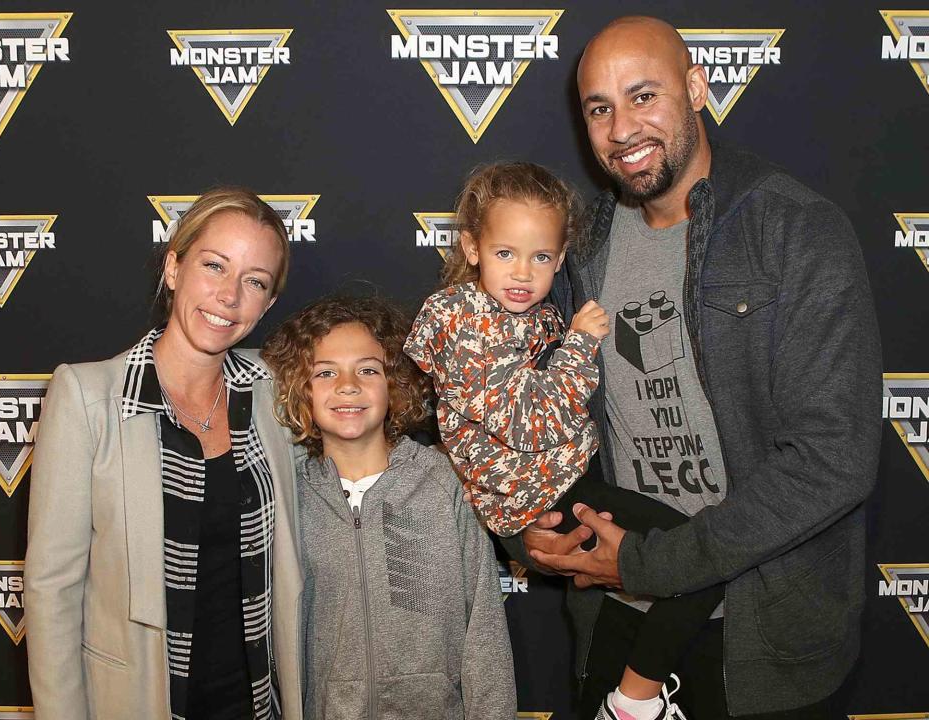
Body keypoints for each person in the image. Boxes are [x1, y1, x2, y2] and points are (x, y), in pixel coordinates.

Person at [504, 16, 883, 720]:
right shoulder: (575, 249)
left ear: (697, 88)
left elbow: (835, 457)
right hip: (616, 627)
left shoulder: (794, 229)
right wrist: (522, 523)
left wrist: (653, 565)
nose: (621, 129)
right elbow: (519, 407)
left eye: (643, 96)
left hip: (761, 643)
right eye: (599, 108)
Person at [404, 161, 727, 720]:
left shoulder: (532, 314)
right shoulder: (461, 321)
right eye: (506, 253)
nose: (524, 273)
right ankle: (631, 703)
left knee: (692, 561)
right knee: (698, 559)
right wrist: (580, 343)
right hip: (544, 496)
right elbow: (532, 420)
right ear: (472, 247)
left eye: (542, 257)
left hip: (566, 480)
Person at [25, 188, 304, 720]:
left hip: (255, 704)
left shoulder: (272, 393)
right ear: (174, 266)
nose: (229, 295)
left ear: (268, 304)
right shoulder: (87, 397)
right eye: (214, 266)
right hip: (136, 702)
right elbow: (51, 591)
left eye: (254, 282)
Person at [261, 295, 516, 720]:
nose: (348, 385)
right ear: (299, 390)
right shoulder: (288, 494)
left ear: (393, 383)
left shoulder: (443, 483)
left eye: (367, 369)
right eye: (325, 372)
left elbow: (484, 625)